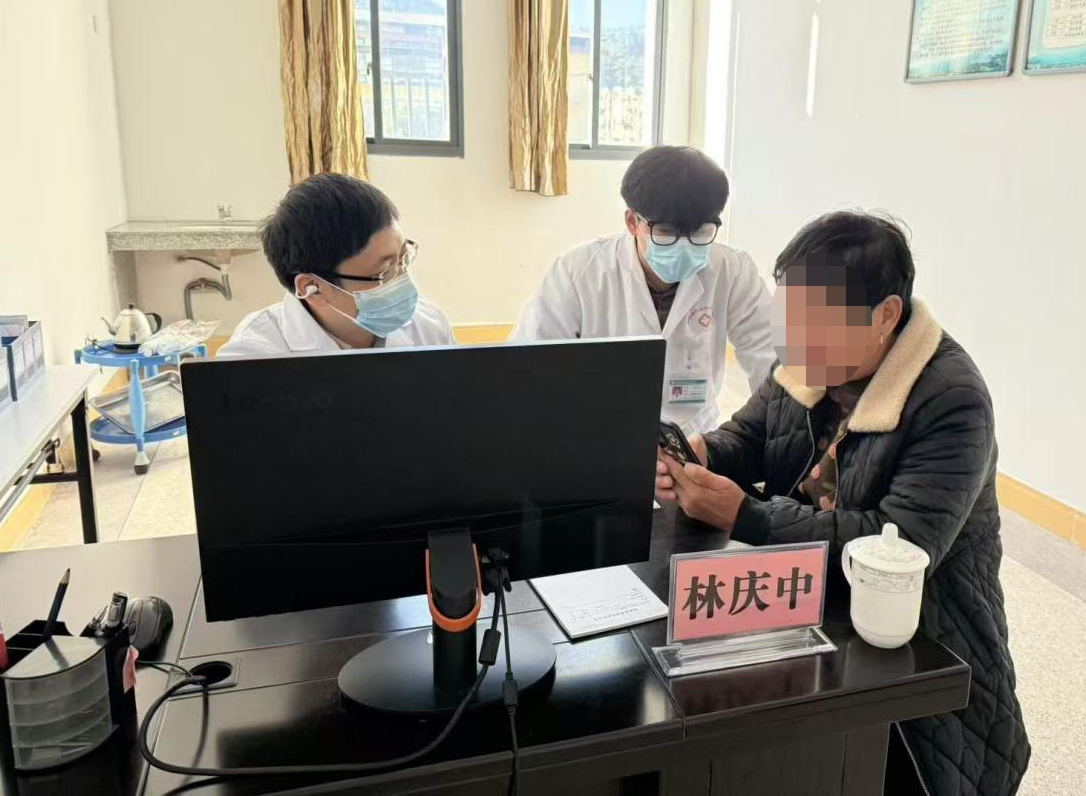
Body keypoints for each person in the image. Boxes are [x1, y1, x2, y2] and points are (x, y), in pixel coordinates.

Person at [655, 211, 1029, 796]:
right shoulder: (808, 362)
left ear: (885, 316)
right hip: (806, 604)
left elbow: (895, 547)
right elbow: (750, 437)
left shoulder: (952, 401)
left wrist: (745, 515)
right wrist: (701, 452)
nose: (795, 341)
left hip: (917, 639)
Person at [513, 146, 774, 435]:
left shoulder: (732, 270)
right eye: (666, 230)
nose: (684, 244)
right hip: (599, 432)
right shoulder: (578, 272)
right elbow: (530, 368)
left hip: (695, 439)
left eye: (700, 230)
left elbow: (771, 360)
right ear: (632, 222)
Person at [220, 173, 453, 357]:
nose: (402, 280)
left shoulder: (429, 326)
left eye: (404, 258)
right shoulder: (254, 354)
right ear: (313, 288)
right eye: (385, 272)